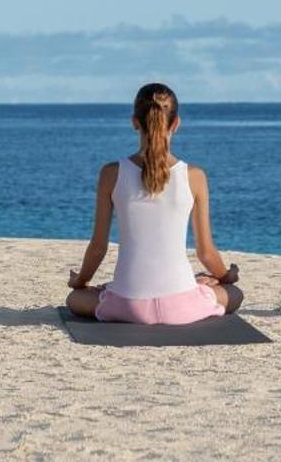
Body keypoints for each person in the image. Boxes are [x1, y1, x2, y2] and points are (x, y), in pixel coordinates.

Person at [65, 82, 243, 323]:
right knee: (235, 294)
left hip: (128, 307)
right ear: (176, 123)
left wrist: (81, 281)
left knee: (74, 300)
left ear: (135, 122)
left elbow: (98, 247)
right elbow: (206, 253)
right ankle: (194, 286)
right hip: (181, 307)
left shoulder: (111, 173)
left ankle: (112, 291)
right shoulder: (195, 176)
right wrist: (226, 276)